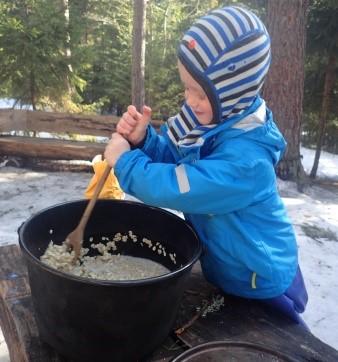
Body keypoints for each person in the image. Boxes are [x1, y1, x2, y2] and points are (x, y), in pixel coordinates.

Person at [104, 6, 308, 325]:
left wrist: (126, 163)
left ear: (233, 92)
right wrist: (144, 141)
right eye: (186, 87)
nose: (189, 99)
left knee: (270, 340)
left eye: (199, 92)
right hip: (226, 270)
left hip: (260, 281)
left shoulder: (247, 160)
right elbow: (175, 156)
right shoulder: (209, 116)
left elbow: (183, 186)